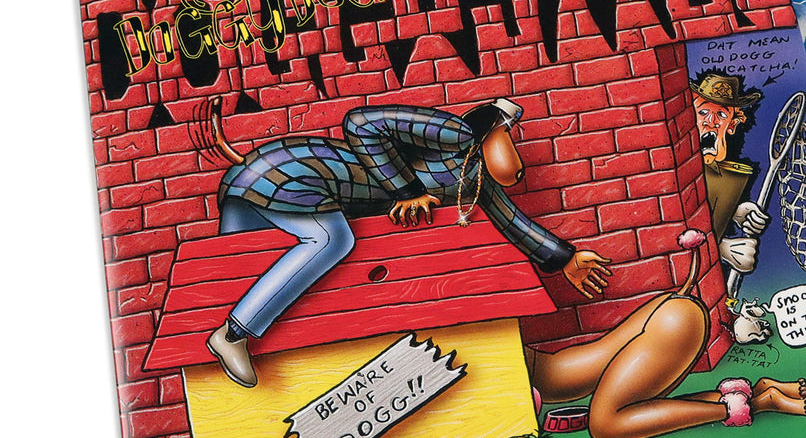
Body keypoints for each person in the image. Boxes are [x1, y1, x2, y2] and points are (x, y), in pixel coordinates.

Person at [204, 98, 611, 387]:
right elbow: (360, 122)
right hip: (299, 175)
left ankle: (234, 337)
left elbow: (511, 220)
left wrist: (565, 258)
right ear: (493, 129)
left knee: (233, 276)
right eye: (508, 131)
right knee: (332, 239)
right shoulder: (456, 133)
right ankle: (232, 335)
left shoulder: (474, 178)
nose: (513, 148)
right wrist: (407, 191)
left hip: (260, 186)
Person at [689, 71, 771, 277]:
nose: (711, 121)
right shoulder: (675, 167)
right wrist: (723, 249)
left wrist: (735, 212)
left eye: (722, 115)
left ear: (732, 125)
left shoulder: (729, 176)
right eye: (703, 112)